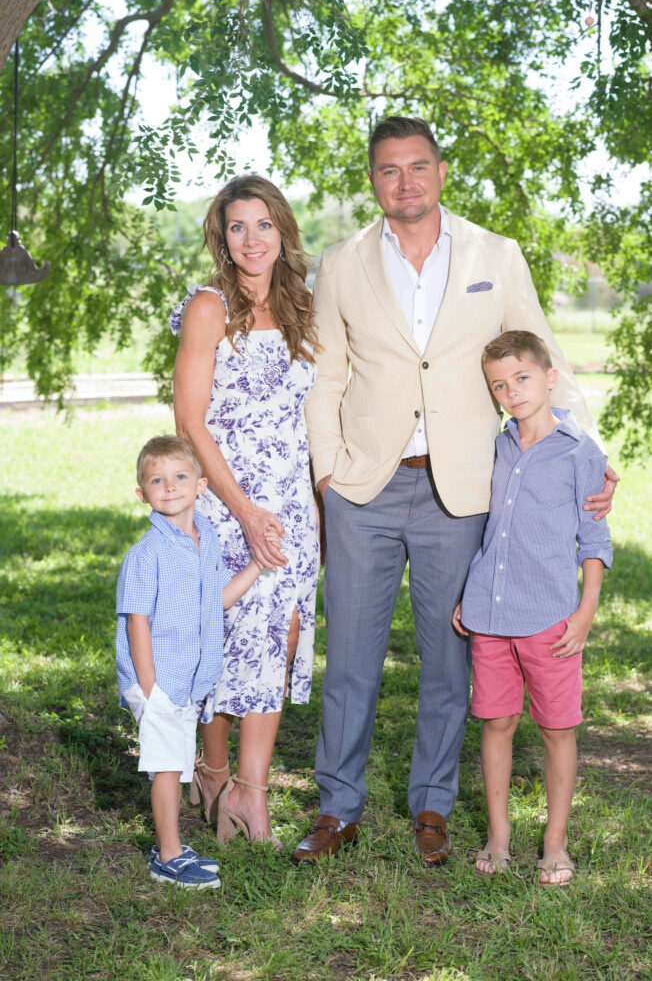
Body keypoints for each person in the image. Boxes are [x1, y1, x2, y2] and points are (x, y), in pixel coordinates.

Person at [292, 116, 618, 867]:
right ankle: (338, 807)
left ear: (441, 171)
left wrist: (592, 448)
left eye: (417, 167)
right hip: (363, 487)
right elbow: (326, 375)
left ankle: (432, 805)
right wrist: (327, 472)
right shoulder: (341, 263)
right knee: (349, 660)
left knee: (449, 659)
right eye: (387, 170)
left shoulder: (493, 255)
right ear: (372, 180)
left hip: (462, 491)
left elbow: (543, 354)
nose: (403, 182)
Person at [171, 175, 319, 846]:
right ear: (222, 239)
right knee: (228, 639)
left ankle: (252, 792)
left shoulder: (303, 312)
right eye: (238, 227)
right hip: (232, 501)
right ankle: (212, 770)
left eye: (263, 225)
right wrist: (244, 509)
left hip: (293, 502)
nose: (252, 239)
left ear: (282, 230)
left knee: (280, 638)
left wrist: (310, 505)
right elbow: (190, 421)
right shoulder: (209, 308)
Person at [452, 331, 612, 885]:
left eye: (521, 378)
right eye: (500, 384)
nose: (512, 391)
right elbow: (485, 531)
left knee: (556, 730)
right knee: (496, 721)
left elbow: (594, 540)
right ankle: (499, 837)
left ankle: (555, 841)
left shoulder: (580, 453)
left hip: (551, 619)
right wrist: (468, 594)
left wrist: (585, 611)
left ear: (549, 377)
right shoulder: (495, 447)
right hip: (490, 617)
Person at [116, 435, 262, 888]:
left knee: (176, 764)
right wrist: (150, 686)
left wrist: (257, 564)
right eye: (158, 480)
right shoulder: (146, 554)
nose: (171, 486)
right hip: (160, 681)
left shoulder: (206, 538)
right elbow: (136, 622)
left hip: (187, 679)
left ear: (201, 485)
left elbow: (214, 600)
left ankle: (172, 845)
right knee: (167, 767)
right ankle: (168, 857)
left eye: (180, 476)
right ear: (143, 494)